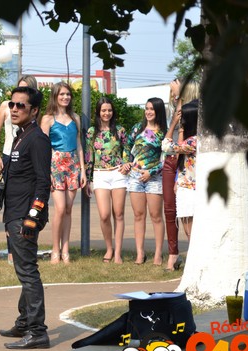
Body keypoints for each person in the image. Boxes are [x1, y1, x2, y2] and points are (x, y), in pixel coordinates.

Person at [0, 86, 51, 349]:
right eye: (12, 104)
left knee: (28, 272)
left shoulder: (37, 139)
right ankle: (24, 322)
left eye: (21, 105)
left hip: (24, 215)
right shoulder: (21, 135)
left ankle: (37, 331)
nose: (14, 109)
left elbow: (43, 182)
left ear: (34, 110)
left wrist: (33, 216)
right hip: (14, 212)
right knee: (23, 269)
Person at [40, 81, 86, 264]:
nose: (65, 97)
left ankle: (65, 250)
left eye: (68, 94)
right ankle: (55, 249)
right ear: (55, 96)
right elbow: (43, 148)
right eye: (62, 94)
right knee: (59, 209)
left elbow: (79, 144)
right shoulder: (47, 119)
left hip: (73, 165)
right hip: (55, 165)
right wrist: (47, 172)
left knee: (68, 208)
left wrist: (83, 170)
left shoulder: (75, 117)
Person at [0, 74, 38, 265]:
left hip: (26, 155)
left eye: (26, 89)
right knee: (10, 204)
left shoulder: (33, 110)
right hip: (7, 155)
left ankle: (26, 244)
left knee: (26, 201)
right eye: (19, 88)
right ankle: (11, 251)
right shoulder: (6, 106)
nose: (16, 107)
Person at [85, 97, 128, 264]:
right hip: (100, 174)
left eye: (109, 110)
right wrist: (88, 179)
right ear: (98, 112)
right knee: (104, 215)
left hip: (118, 173)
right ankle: (109, 248)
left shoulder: (120, 130)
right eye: (103, 110)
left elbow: (126, 150)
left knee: (119, 213)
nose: (107, 113)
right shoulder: (91, 132)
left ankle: (118, 252)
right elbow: (89, 156)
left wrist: (126, 164)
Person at [125, 97, 168, 265]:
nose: (148, 112)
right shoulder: (138, 128)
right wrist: (127, 162)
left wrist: (151, 172)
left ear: (158, 111)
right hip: (135, 177)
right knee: (138, 215)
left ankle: (158, 254)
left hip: (154, 178)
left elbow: (166, 158)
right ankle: (140, 253)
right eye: (147, 108)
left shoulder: (163, 132)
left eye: (152, 109)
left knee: (156, 216)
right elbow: (127, 146)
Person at [163, 79, 199, 271]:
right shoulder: (200, 140)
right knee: (189, 225)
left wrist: (175, 125)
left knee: (190, 227)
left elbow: (167, 146)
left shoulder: (193, 142)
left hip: (189, 187)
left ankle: (194, 264)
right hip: (186, 180)